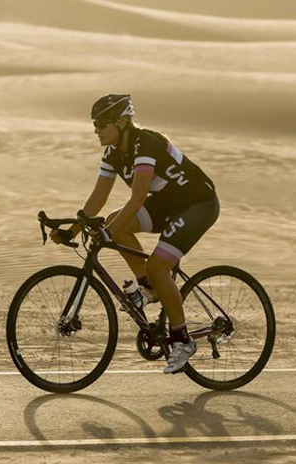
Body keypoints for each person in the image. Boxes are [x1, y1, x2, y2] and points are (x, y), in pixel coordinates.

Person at [50, 94, 219, 374]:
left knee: (157, 265)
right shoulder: (113, 154)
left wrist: (108, 233)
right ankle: (149, 287)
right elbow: (98, 198)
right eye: (94, 124)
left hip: (197, 204)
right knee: (118, 222)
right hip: (168, 202)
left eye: (102, 124)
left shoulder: (145, 144)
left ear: (122, 122)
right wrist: (73, 229)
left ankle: (182, 340)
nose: (96, 130)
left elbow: (138, 197)